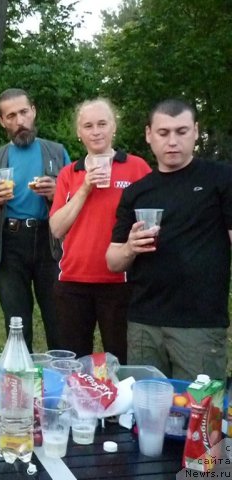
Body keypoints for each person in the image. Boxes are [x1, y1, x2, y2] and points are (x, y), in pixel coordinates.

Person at [106, 99, 232, 380]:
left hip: (199, 323)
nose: (172, 141)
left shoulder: (220, 179)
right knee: (143, 412)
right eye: (164, 133)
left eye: (182, 131)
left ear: (196, 132)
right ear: (149, 134)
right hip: (143, 321)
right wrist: (130, 247)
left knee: (199, 413)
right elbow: (113, 261)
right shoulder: (137, 192)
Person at [49, 98, 151, 364]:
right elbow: (57, 228)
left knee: (122, 360)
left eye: (102, 124)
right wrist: (84, 188)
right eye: (88, 125)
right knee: (73, 362)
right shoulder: (69, 173)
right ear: (79, 133)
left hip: (121, 282)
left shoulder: (136, 167)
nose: (96, 131)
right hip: (73, 282)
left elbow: (154, 216)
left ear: (114, 127)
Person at [0, 88, 71, 351]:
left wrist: (55, 194)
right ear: (2, 122)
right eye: (11, 116)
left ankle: (61, 379)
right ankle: (20, 380)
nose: (19, 121)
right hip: (10, 244)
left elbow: (75, 204)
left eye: (23, 112)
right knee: (16, 322)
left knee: (58, 318)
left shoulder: (56, 152)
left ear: (33, 111)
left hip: (49, 242)